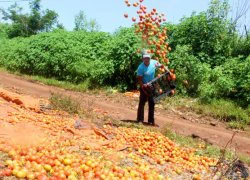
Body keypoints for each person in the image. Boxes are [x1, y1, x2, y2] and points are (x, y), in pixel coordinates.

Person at [136, 53, 163, 125]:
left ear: (150, 58)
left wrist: (166, 69)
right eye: (145, 58)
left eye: (148, 58)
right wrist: (143, 86)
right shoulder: (141, 67)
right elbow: (139, 79)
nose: (147, 59)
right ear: (143, 59)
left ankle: (151, 121)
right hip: (144, 85)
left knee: (152, 102)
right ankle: (140, 120)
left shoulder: (153, 62)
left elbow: (161, 66)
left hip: (152, 84)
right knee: (142, 102)